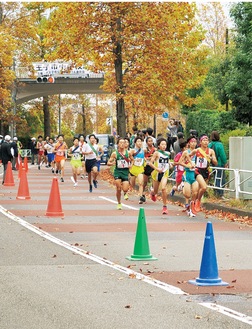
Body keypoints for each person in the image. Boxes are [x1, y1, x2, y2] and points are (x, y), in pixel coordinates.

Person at [189, 134, 217, 212]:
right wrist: (190, 163)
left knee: (198, 190)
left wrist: (211, 158)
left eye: (207, 140)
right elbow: (188, 156)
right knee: (204, 187)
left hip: (206, 171)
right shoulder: (197, 150)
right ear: (200, 142)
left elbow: (215, 162)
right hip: (197, 170)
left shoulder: (211, 151)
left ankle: (192, 205)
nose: (206, 142)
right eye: (204, 140)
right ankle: (198, 201)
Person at [107, 137, 133, 210]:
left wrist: (131, 165)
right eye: (120, 143)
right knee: (118, 188)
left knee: (125, 189)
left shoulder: (128, 153)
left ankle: (125, 193)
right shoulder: (115, 153)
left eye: (123, 143)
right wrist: (112, 163)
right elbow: (108, 163)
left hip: (125, 173)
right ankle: (119, 203)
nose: (122, 144)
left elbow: (132, 160)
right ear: (118, 144)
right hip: (117, 172)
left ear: (125, 144)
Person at [149, 137, 171, 215]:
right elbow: (150, 163)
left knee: (163, 188)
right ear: (159, 146)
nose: (164, 146)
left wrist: (170, 164)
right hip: (157, 173)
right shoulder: (156, 153)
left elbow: (167, 161)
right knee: (155, 191)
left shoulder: (168, 153)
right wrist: (156, 168)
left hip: (165, 173)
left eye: (165, 144)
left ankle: (165, 207)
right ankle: (152, 193)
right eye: (162, 144)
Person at [179, 136, 199, 217]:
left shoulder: (198, 152)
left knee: (195, 192)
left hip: (195, 175)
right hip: (187, 175)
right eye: (192, 142)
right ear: (189, 143)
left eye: (195, 142)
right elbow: (180, 162)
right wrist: (188, 166)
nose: (193, 143)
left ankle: (191, 208)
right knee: (187, 195)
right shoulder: (185, 152)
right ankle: (181, 186)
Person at [208, 131, 227, 197]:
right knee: (221, 178)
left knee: (216, 178)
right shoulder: (219, 145)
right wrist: (225, 162)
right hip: (219, 163)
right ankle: (220, 193)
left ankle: (215, 192)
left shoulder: (209, 144)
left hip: (212, 164)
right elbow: (223, 155)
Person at [129, 136, 146, 204]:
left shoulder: (143, 150)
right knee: (132, 184)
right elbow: (129, 158)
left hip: (140, 168)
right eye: (138, 141)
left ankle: (141, 197)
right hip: (133, 168)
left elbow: (143, 157)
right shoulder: (132, 150)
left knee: (141, 183)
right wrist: (135, 159)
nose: (139, 143)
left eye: (140, 141)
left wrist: (145, 160)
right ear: (135, 142)